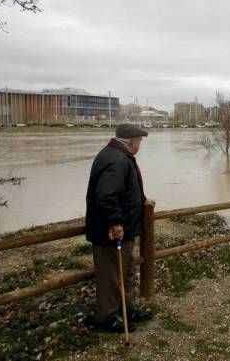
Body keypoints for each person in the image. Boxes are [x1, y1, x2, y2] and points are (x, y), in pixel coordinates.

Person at [85, 124, 154, 332]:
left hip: (125, 230)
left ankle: (127, 309)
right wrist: (115, 222)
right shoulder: (116, 159)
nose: (140, 144)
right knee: (111, 275)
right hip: (111, 232)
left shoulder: (119, 156)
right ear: (132, 141)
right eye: (140, 141)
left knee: (125, 270)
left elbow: (127, 189)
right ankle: (106, 317)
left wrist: (142, 200)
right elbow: (106, 195)